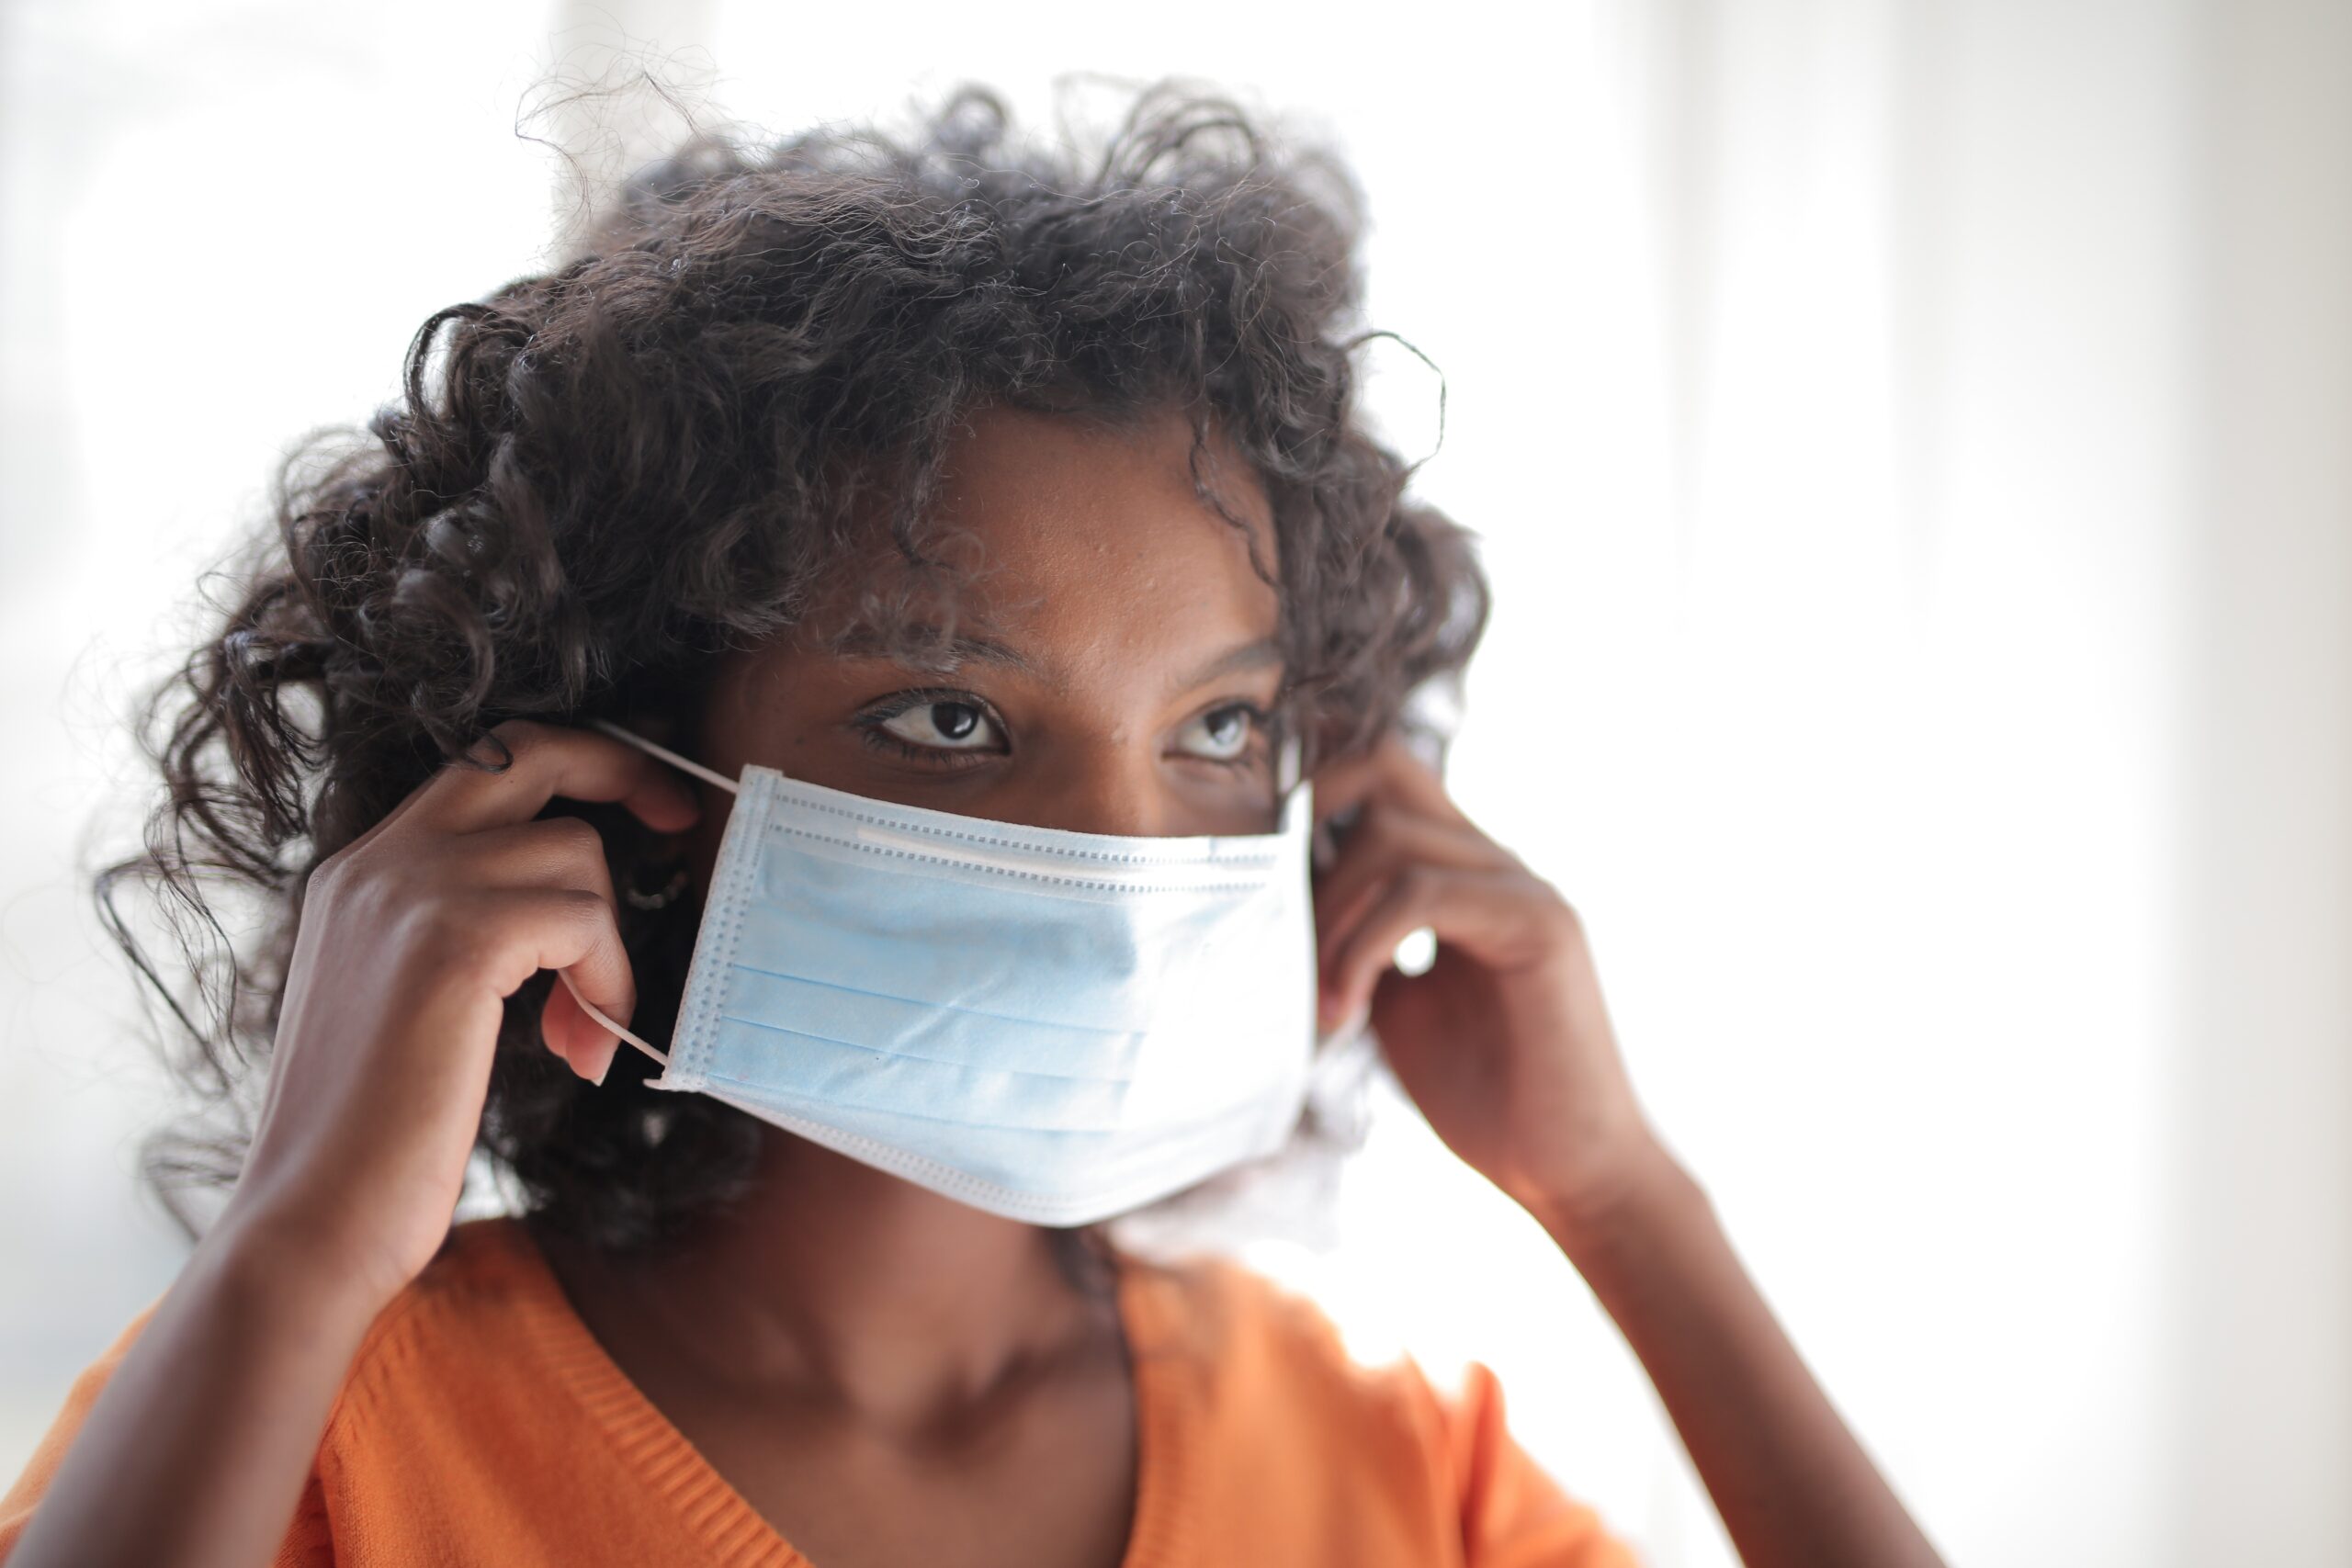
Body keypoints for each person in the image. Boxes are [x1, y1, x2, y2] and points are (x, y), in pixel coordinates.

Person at [0, 83, 1943, 1568]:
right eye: (951, 716)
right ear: (616, 773)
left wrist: (1623, 1201)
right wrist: (294, 1245)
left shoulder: (1390, 1473)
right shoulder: (315, 1429)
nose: (1123, 860)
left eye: (1216, 723)